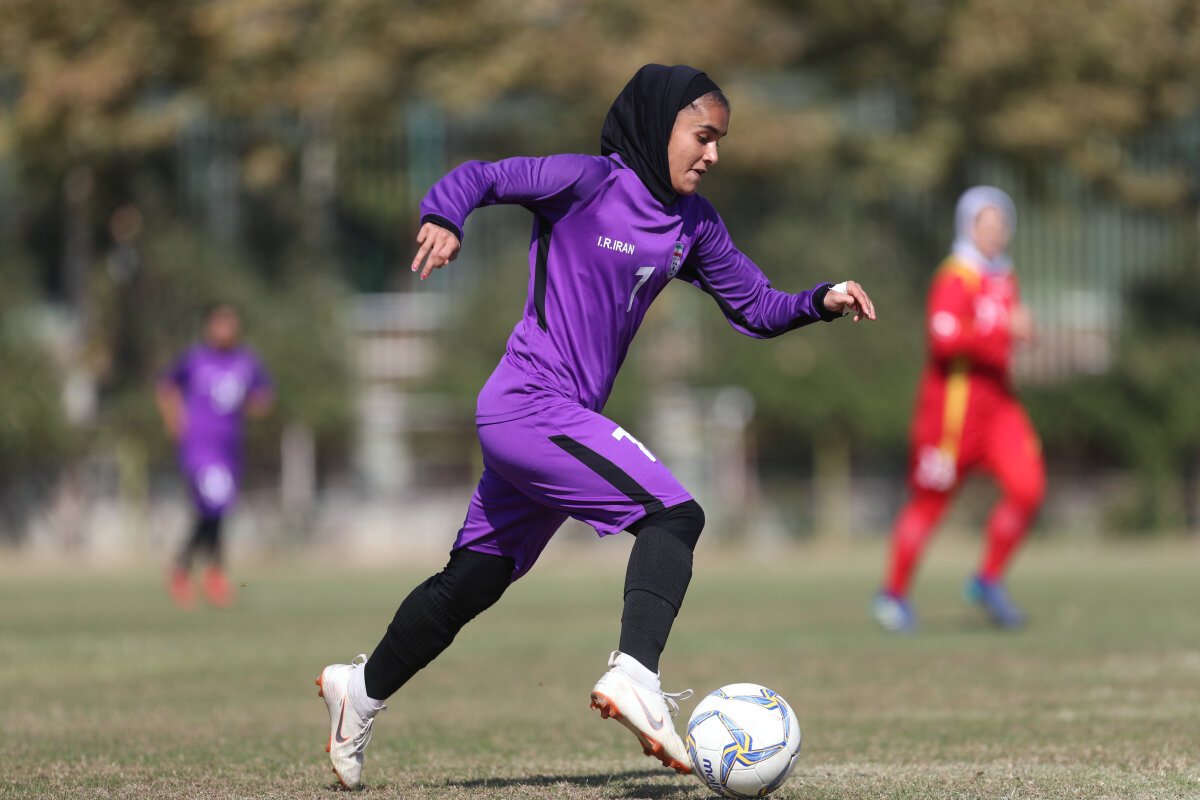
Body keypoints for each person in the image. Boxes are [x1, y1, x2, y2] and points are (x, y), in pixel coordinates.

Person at [315, 64, 876, 789]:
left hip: (558, 420)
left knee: (473, 581)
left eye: (720, 141)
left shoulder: (695, 224)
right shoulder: (586, 181)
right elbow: (481, 177)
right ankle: (636, 673)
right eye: (702, 136)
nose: (713, 154)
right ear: (659, 124)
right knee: (674, 514)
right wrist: (445, 217)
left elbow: (755, 306)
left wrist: (819, 300)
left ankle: (358, 692)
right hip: (528, 403)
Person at [873, 186, 1044, 633]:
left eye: (1001, 224)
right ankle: (893, 595)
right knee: (930, 503)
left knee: (1028, 487)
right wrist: (1004, 329)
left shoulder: (1005, 276)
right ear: (968, 227)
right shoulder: (955, 277)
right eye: (985, 224)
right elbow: (944, 339)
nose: (995, 233)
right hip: (952, 415)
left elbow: (1006, 332)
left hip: (999, 407)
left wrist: (1023, 332)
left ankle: (988, 579)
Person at [156, 303, 273, 609]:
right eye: (219, 323)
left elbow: (263, 395)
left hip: (230, 448)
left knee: (212, 510)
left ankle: (184, 569)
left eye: (229, 324)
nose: (224, 330)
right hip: (199, 447)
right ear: (208, 327)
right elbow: (166, 385)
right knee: (215, 501)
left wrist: (254, 405)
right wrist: (175, 420)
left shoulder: (245, 361)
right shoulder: (195, 359)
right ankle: (212, 573)